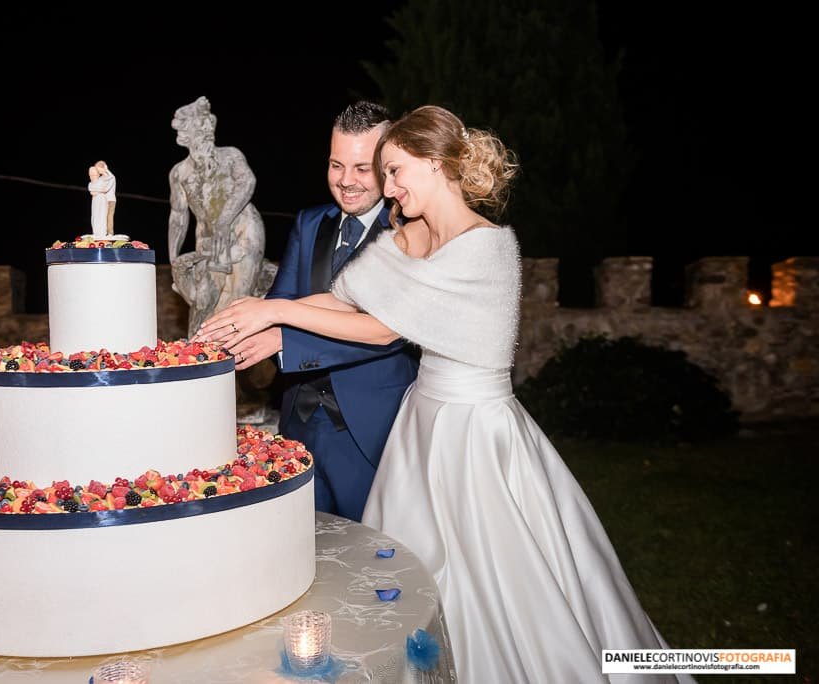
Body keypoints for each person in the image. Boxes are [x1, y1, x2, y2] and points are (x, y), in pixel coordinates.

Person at [196, 105, 692, 683]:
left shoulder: (488, 247)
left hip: (475, 430)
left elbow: (382, 326)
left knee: (491, 571)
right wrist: (261, 313)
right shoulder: (411, 236)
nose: (389, 187)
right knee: (404, 568)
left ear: (435, 165)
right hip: (422, 422)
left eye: (397, 171)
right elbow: (347, 298)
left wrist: (277, 310)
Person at [222, 101, 418, 523]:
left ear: (388, 168)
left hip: (374, 430)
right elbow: (283, 303)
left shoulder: (408, 233)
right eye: (335, 165)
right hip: (300, 424)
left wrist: (282, 339)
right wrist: (237, 338)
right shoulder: (310, 223)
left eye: (361, 168)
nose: (345, 181)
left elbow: (389, 333)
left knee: (378, 559)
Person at [167, 96, 266, 336]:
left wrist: (225, 219)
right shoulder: (180, 172)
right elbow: (179, 216)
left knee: (237, 306)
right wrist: (173, 258)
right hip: (208, 240)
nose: (207, 131)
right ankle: (202, 364)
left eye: (206, 125)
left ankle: (232, 366)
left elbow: (247, 181)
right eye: (198, 127)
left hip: (243, 228)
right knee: (203, 308)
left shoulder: (230, 155)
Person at [87, 165, 111, 237]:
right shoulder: (90, 184)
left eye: (94, 174)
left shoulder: (102, 180)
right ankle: (96, 232)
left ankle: (102, 233)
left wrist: (104, 170)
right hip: (95, 202)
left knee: (102, 215)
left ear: (98, 174)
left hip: (102, 201)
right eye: (90, 175)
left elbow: (105, 189)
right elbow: (92, 191)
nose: (92, 176)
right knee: (95, 216)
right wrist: (99, 190)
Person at [95, 160, 117, 235]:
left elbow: (106, 189)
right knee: (102, 216)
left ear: (104, 167)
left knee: (109, 217)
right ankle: (102, 232)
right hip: (102, 200)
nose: (98, 171)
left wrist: (97, 190)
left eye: (99, 169)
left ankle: (110, 233)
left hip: (110, 200)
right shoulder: (101, 178)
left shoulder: (111, 177)